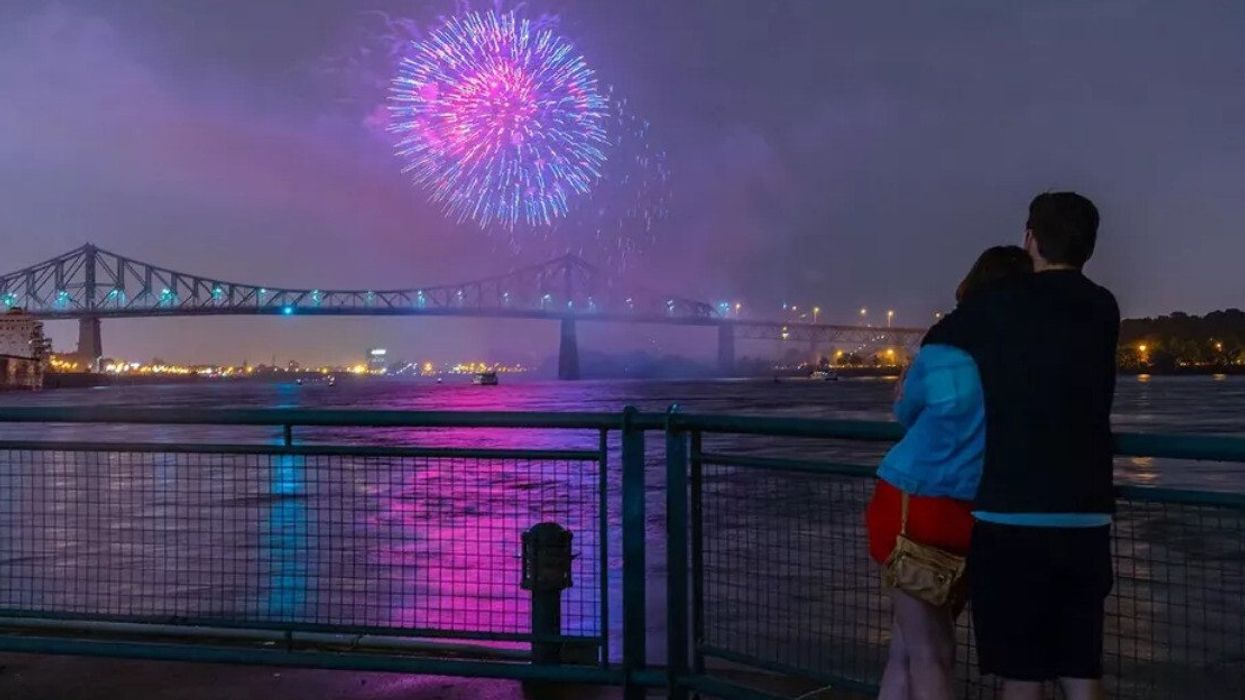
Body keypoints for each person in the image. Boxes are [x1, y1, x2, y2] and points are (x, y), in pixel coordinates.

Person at [922, 192, 1119, 700]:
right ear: (1088, 246)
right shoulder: (1103, 306)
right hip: (1087, 514)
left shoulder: (999, 304)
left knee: (1022, 675)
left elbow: (937, 340)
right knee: (1082, 670)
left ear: (1030, 238)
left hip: (1011, 516)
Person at [868, 246, 1034, 700]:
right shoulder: (1030, 354)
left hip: (907, 506)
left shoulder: (941, 348)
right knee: (921, 649)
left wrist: (904, 391)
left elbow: (906, 414)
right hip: (975, 513)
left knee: (920, 652)